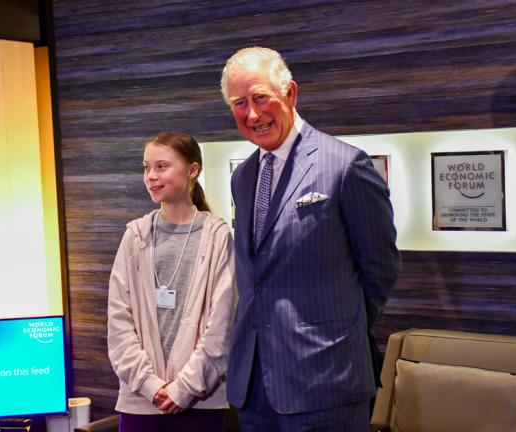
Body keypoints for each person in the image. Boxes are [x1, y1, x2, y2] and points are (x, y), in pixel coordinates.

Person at [221, 46, 402, 431]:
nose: (252, 114)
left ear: (290, 94)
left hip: (326, 381)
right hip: (254, 387)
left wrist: (339, 332)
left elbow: (381, 267)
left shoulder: (345, 166)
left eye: (260, 97)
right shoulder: (243, 176)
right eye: (239, 103)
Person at [107, 132, 234, 432]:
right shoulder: (135, 236)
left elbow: (223, 326)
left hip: (201, 402)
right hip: (141, 402)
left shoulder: (217, 237)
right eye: (146, 167)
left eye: (161, 166)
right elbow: (118, 322)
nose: (151, 176)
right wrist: (150, 385)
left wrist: (185, 388)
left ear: (192, 170)